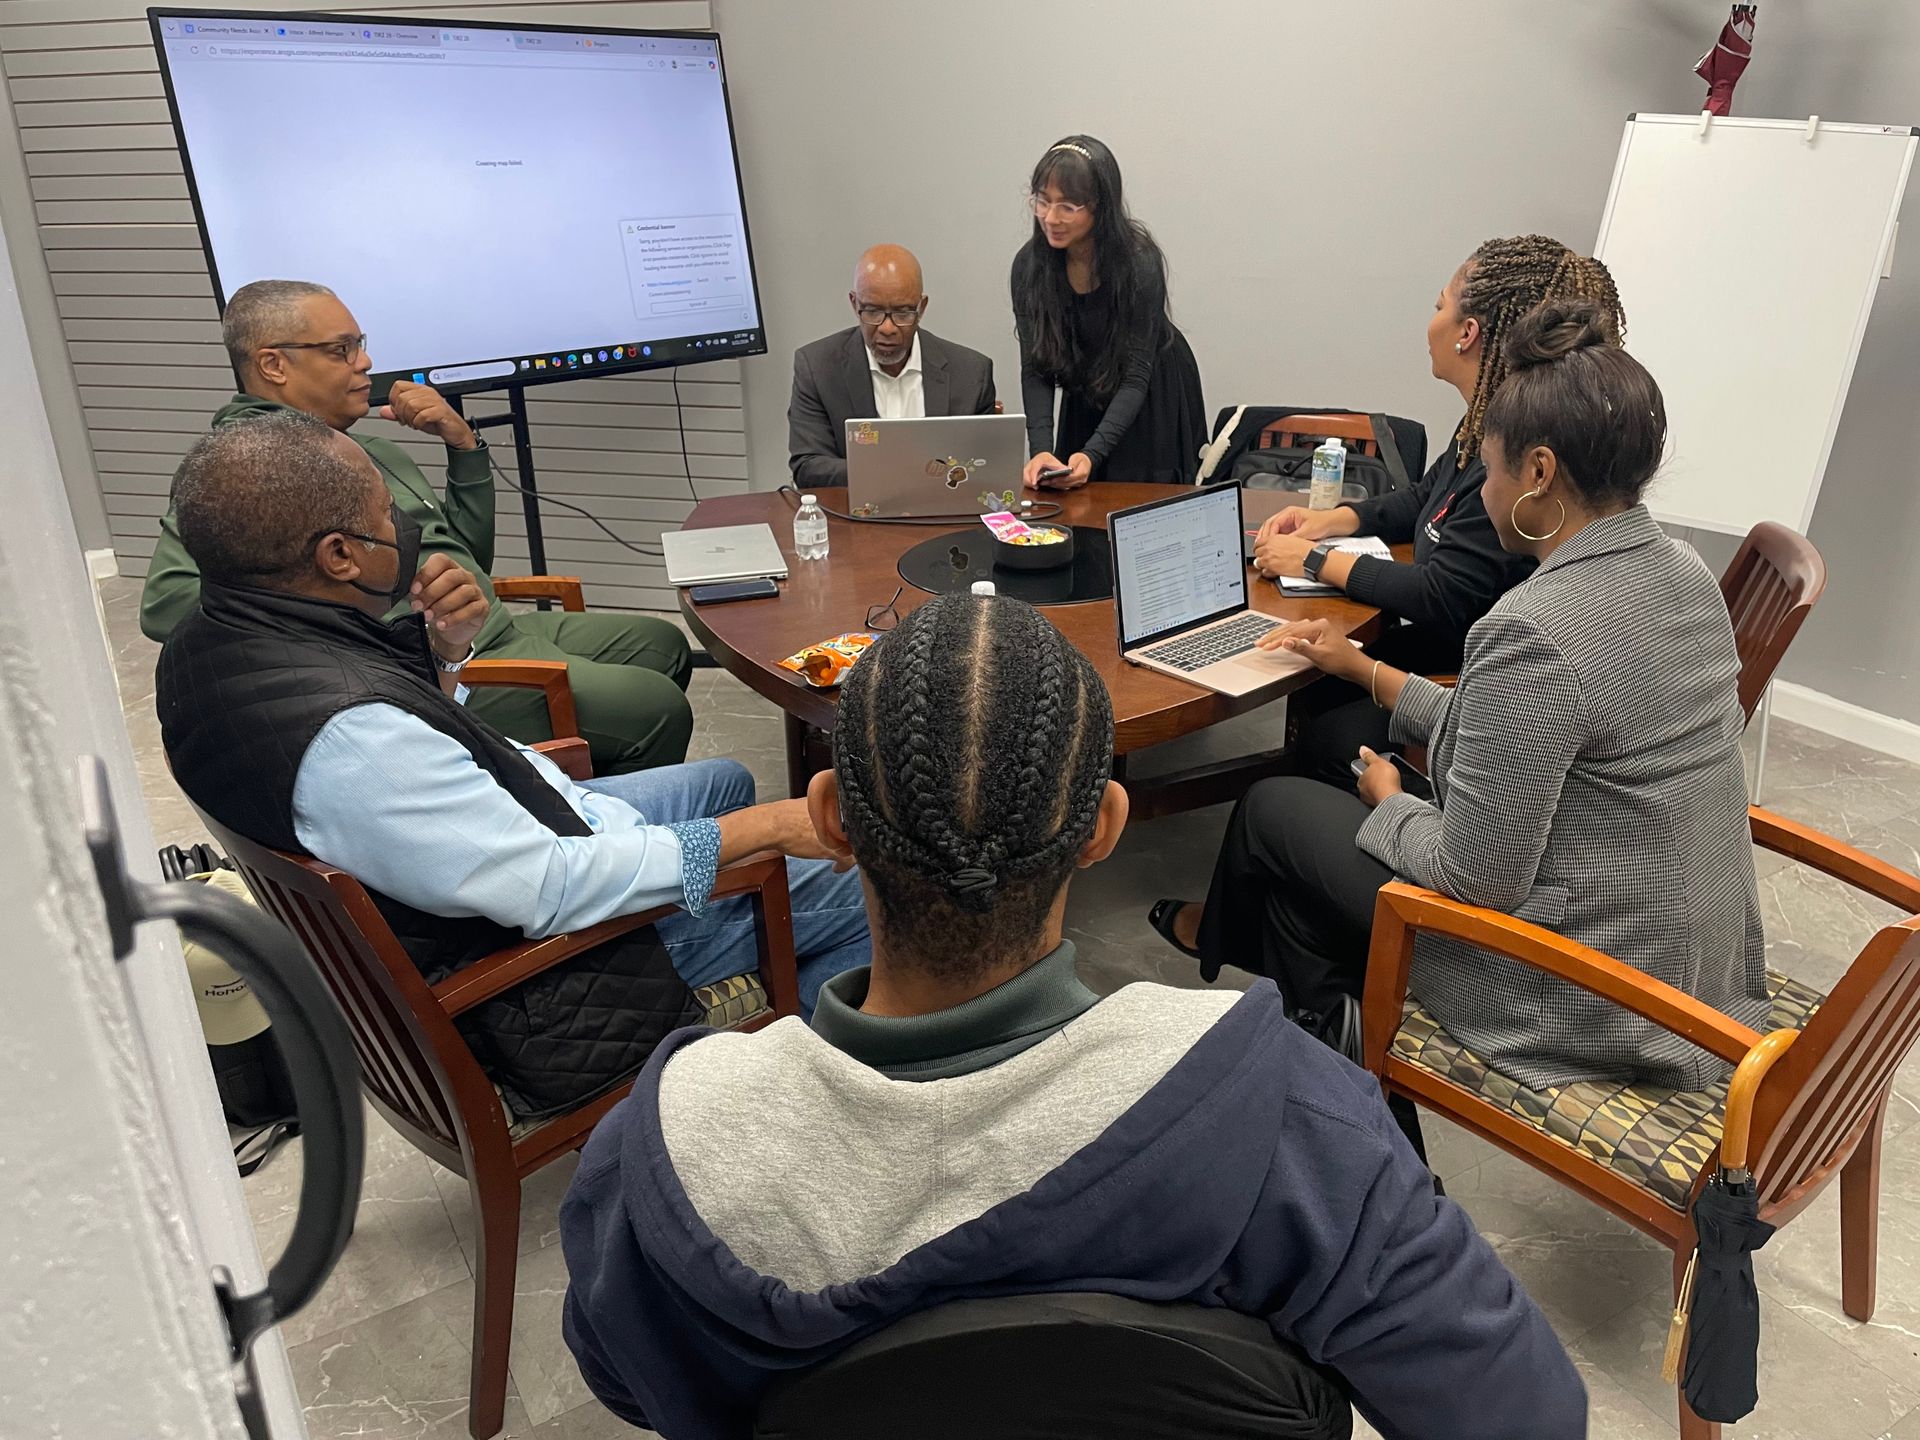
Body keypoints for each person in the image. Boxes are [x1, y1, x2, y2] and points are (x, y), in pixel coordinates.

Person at [558, 593, 1586, 1440]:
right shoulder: (1289, 1124)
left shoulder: (661, 1157)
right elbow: (1526, 1419)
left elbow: (627, 1379)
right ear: (1101, 829)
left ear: (829, 820)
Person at [155, 412, 870, 1119]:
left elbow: (413, 756)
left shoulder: (216, 646)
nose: (404, 521)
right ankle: (801, 1107)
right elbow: (552, 888)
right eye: (386, 507)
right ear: (339, 555)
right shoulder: (350, 739)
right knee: (868, 889)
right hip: (553, 980)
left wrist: (449, 649)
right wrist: (761, 833)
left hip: (509, 847)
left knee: (725, 783)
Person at [1160, 301, 1769, 1103]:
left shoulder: (1534, 628)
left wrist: (1388, 801)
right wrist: (1363, 672)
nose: (1480, 482)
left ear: (1540, 474)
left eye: (1491, 464)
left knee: (1274, 812)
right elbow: (1524, 738)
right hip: (1687, 961)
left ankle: (1341, 1069)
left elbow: (1476, 877)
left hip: (1588, 993)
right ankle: (1333, 1048)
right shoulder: (1683, 574)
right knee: (1309, 883)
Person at [140, 279, 695, 776]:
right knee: (654, 708)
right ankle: (603, 852)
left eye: (360, 343)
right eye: (341, 350)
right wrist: (373, 609)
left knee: (662, 645)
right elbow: (167, 605)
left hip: (483, 626)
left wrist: (463, 446)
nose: (365, 362)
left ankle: (550, 791)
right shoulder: (249, 466)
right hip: (432, 663)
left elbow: (469, 558)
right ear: (273, 365)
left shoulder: (366, 446)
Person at [1248, 236, 1626, 790]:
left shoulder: (1515, 459)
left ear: (1469, 332)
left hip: (1471, 671)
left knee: (1328, 730)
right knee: (1316, 682)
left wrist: (1313, 561)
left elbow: (1442, 596)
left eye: (1439, 304)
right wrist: (1333, 521)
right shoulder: (1485, 418)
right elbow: (1429, 495)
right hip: (1451, 647)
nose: (1432, 321)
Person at [1012, 134, 1206, 489]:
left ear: (1100, 207)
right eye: (1042, 201)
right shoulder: (1029, 267)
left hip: (1149, 392)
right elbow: (1035, 369)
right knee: (1073, 501)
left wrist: (1093, 452)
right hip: (1085, 389)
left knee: (1141, 512)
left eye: (1068, 207)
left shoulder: (1138, 263)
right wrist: (1040, 450)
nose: (1050, 218)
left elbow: (1135, 376)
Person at [787, 244, 997, 489]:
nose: (887, 328)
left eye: (903, 313)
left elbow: (986, 466)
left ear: (922, 307)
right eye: (873, 312)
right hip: (854, 519)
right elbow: (808, 467)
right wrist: (899, 472)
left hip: (941, 515)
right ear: (855, 304)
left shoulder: (971, 373)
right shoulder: (817, 368)